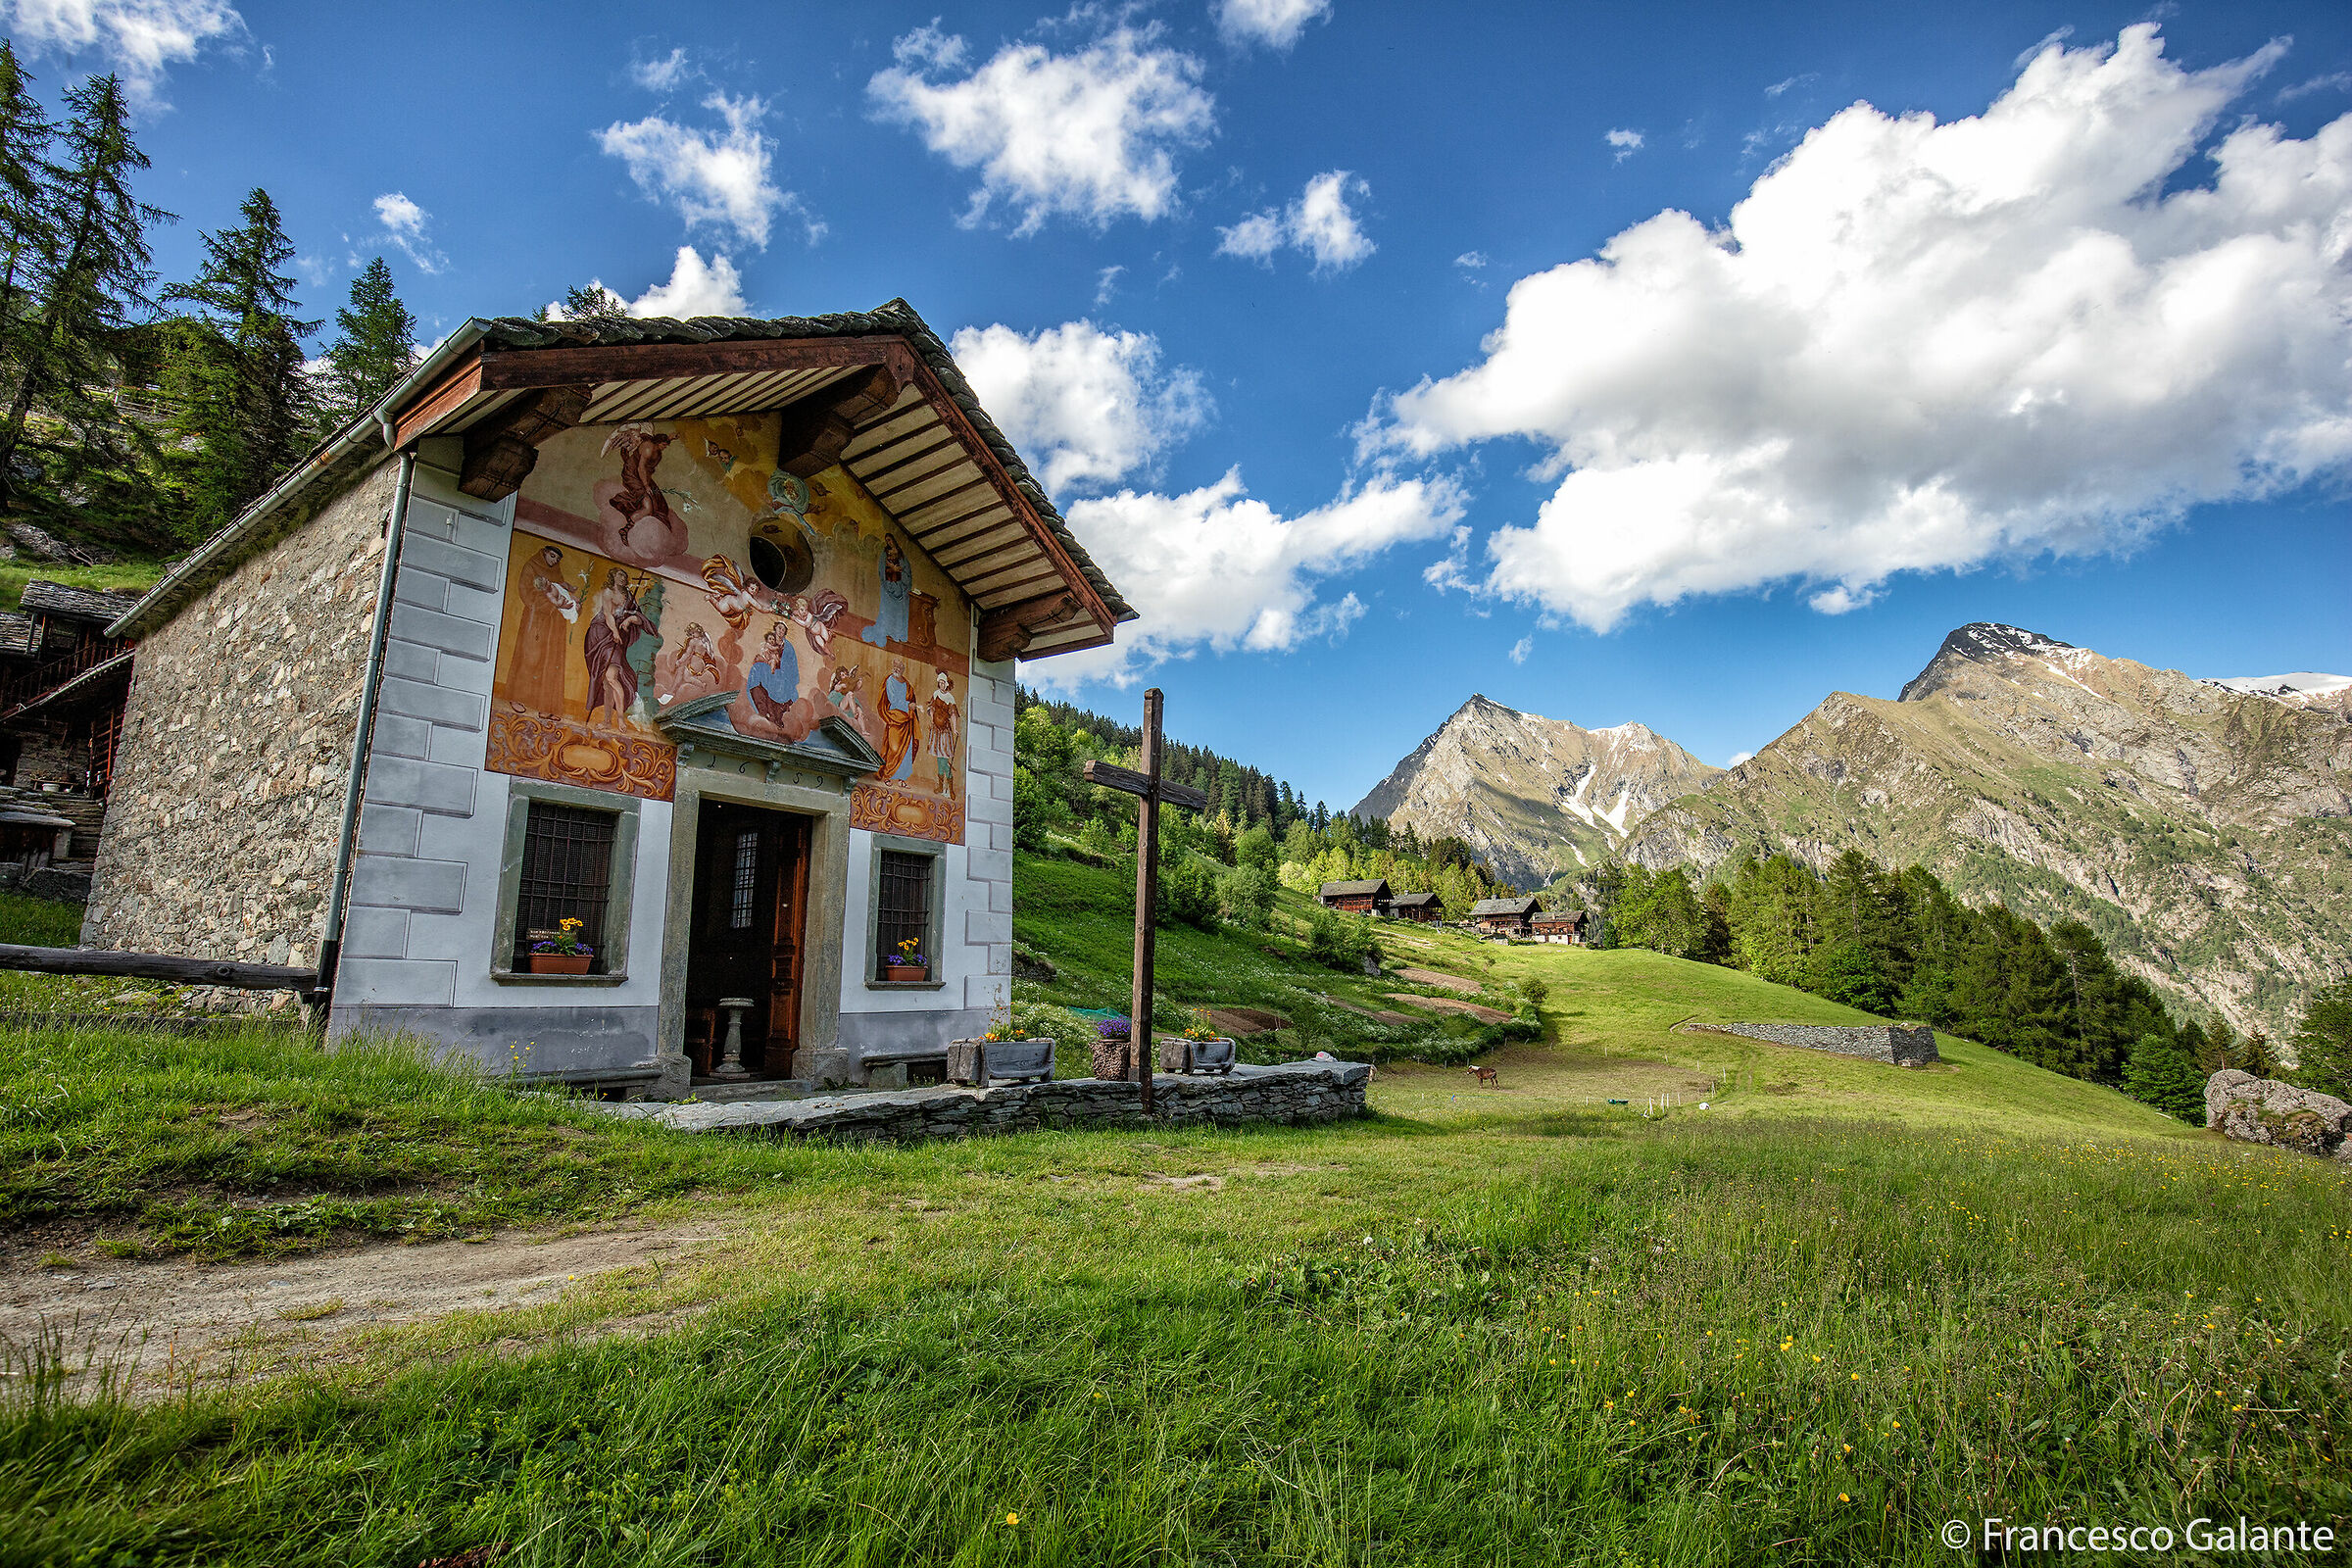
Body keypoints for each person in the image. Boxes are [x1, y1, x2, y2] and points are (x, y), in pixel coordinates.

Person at [505, 545, 576, 716]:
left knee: (550, 661)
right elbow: (526, 592)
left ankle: (546, 707)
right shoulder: (531, 566)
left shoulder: (556, 572)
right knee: (530, 656)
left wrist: (564, 601)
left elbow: (560, 590)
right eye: (552, 556)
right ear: (543, 553)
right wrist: (548, 603)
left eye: (557, 559)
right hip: (536, 618)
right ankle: (517, 698)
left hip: (553, 623)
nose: (554, 561)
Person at [582, 567, 656, 727]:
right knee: (606, 683)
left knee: (612, 678)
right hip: (601, 633)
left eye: (625, 575)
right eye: (620, 575)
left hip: (617, 640)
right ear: (613, 577)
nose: (623, 578)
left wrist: (628, 620)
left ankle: (620, 719)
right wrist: (614, 631)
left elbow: (639, 618)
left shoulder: (629, 596)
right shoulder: (608, 592)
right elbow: (608, 614)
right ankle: (607, 721)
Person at [745, 620, 799, 729]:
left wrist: (782, 666)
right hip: (769, 667)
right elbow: (764, 653)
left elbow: (791, 663)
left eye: (783, 630)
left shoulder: (787, 646)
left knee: (784, 687)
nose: (781, 631)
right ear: (775, 629)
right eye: (779, 628)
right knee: (756, 669)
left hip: (782, 673)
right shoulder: (770, 640)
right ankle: (764, 710)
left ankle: (776, 716)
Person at [860, 535, 909, 647]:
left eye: (890, 539)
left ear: (894, 540)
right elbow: (882, 568)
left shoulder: (901, 555)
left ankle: (896, 633)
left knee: (899, 612)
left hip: (899, 587)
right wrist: (891, 570)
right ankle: (885, 630)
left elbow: (906, 571)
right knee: (886, 608)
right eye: (887, 540)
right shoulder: (885, 553)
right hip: (889, 585)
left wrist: (898, 570)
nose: (889, 542)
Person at [877, 658, 917, 780]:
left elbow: (911, 697)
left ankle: (902, 778)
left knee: (907, 749)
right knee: (894, 747)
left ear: (903, 669)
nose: (897, 668)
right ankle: (888, 775)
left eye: (899, 667)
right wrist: (908, 705)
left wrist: (912, 706)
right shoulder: (890, 681)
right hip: (894, 717)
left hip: (907, 719)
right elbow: (892, 699)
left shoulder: (907, 684)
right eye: (895, 666)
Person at [926, 670, 959, 799]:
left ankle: (950, 788)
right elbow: (932, 709)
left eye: (943, 682)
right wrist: (931, 721)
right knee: (939, 759)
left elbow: (953, 715)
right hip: (936, 731)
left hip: (945, 731)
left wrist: (955, 728)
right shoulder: (935, 694)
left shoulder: (950, 698)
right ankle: (941, 786)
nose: (941, 685)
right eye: (939, 683)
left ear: (946, 683)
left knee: (944, 759)